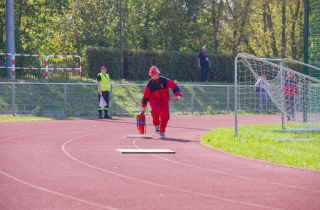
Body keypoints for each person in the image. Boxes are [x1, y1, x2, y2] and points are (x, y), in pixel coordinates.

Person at [141, 66, 182, 138]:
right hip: (153, 99)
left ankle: (162, 131)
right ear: (150, 75)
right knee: (155, 110)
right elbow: (146, 95)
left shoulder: (164, 80)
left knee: (165, 117)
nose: (154, 77)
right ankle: (156, 124)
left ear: (158, 74)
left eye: (156, 75)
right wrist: (143, 106)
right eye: (153, 75)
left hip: (164, 100)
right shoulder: (150, 84)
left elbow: (174, 86)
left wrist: (178, 95)